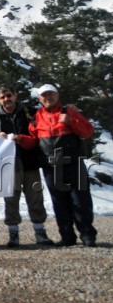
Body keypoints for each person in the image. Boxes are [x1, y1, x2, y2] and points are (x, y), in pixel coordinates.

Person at [18, 84, 97, 247]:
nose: (48, 98)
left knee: (80, 200)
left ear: (57, 95)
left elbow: (87, 131)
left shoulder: (69, 112)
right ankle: (67, 236)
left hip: (74, 164)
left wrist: (71, 121)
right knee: (59, 203)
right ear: (39, 99)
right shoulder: (36, 118)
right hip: (51, 167)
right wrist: (21, 139)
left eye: (51, 94)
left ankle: (87, 235)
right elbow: (34, 141)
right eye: (44, 95)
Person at [0, 87, 54, 247]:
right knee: (11, 199)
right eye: (3, 97)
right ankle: (13, 234)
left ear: (15, 95)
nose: (6, 99)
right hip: (8, 165)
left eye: (9, 95)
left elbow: (44, 122)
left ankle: (40, 232)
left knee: (35, 197)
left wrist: (69, 108)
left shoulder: (30, 112)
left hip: (30, 162)